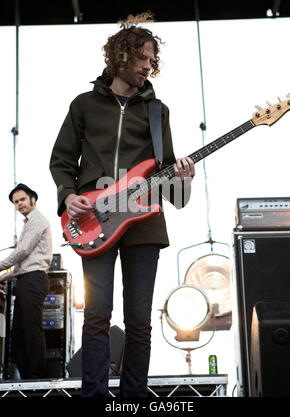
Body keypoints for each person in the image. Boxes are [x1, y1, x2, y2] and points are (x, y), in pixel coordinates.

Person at [49, 12, 195, 397]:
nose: (149, 66)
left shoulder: (157, 111)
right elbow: (62, 160)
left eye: (152, 60)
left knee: (139, 321)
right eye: (143, 58)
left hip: (144, 224)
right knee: (96, 315)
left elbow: (171, 187)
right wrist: (68, 195)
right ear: (122, 58)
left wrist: (183, 179)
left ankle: (132, 399)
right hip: (93, 218)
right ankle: (93, 394)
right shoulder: (84, 105)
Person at [0, 183, 52, 379]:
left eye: (22, 199)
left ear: (33, 199)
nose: (19, 204)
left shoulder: (37, 220)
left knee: (31, 331)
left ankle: (37, 377)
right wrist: (5, 276)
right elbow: (23, 264)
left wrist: (1, 267)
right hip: (26, 279)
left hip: (33, 279)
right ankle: (28, 377)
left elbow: (22, 252)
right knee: (19, 335)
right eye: (15, 202)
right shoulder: (29, 223)